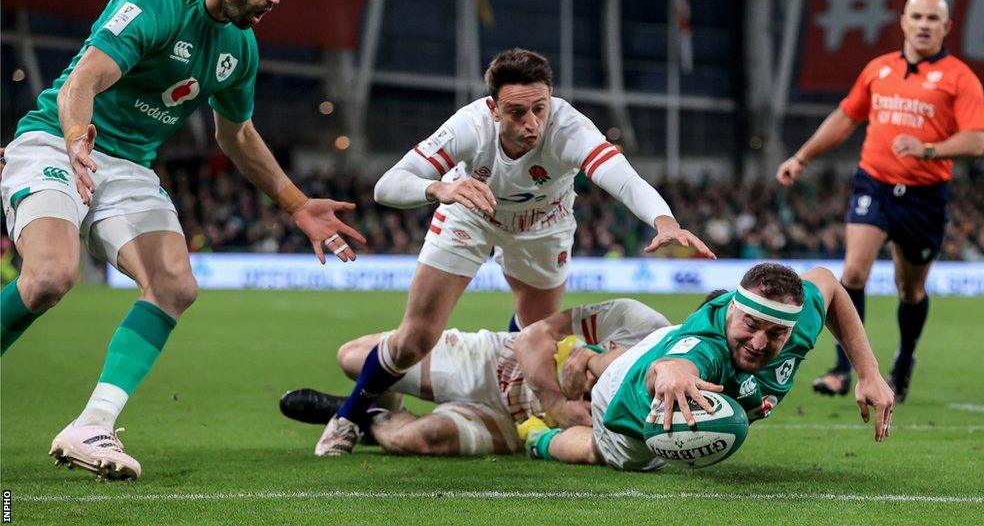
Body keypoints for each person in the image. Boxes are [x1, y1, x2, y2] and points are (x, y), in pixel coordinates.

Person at [0, 0, 365, 481]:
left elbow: (235, 134)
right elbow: (83, 81)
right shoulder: (154, 0)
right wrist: (78, 139)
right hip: (58, 140)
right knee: (50, 277)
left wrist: (296, 203)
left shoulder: (240, 47)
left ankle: (92, 425)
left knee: (174, 284)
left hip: (127, 167)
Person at [314, 48, 715, 455]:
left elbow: (625, 181)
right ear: (493, 108)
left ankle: (508, 413)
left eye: (539, 108)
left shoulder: (570, 128)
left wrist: (664, 221)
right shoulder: (469, 126)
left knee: (536, 336)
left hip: (543, 228)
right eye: (517, 112)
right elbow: (387, 186)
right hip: (468, 215)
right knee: (414, 340)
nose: (531, 124)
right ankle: (348, 416)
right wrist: (438, 188)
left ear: (551, 98)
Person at [776, 0, 984, 402]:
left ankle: (904, 360)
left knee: (910, 290)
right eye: (917, 16)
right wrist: (802, 157)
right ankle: (845, 368)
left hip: (925, 196)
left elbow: (976, 140)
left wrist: (929, 150)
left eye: (933, 18)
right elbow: (845, 118)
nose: (924, 24)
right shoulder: (878, 70)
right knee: (853, 273)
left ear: (946, 28)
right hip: (874, 184)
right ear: (904, 22)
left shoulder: (961, 78)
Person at [517, 263, 895, 472]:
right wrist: (672, 371)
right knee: (601, 452)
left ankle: (592, 357)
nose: (759, 342)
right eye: (750, 325)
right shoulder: (707, 348)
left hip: (664, 341)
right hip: (630, 404)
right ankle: (537, 437)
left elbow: (828, 283)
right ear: (732, 309)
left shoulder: (800, 312)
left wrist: (868, 372)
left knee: (656, 346)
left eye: (776, 333)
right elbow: (674, 365)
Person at [281, 299, 670, 456]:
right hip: (497, 363)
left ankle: (370, 418)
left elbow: (595, 449)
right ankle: (387, 397)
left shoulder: (667, 411)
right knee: (353, 358)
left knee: (419, 439)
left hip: (515, 423)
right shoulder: (640, 322)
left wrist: (542, 437)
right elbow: (532, 337)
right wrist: (555, 399)